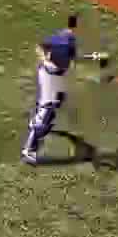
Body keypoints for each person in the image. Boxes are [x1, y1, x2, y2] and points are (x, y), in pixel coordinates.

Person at [22, 14, 81, 164]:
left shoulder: (70, 39)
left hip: (57, 75)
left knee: (58, 100)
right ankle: (29, 150)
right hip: (50, 76)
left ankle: (40, 122)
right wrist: (46, 60)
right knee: (47, 109)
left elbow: (72, 59)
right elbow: (40, 47)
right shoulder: (63, 39)